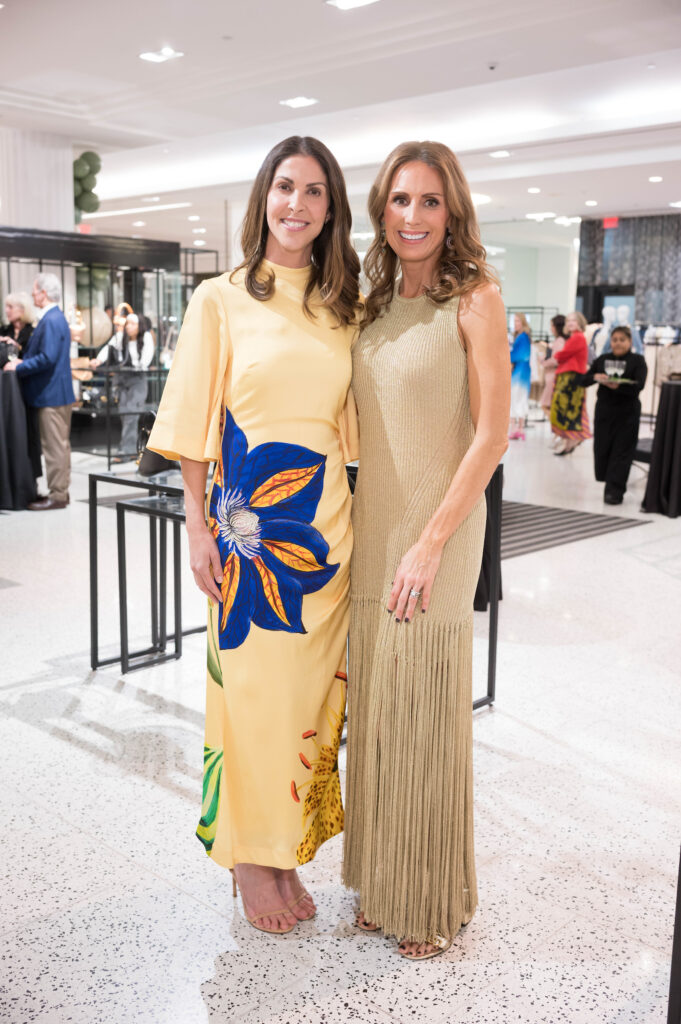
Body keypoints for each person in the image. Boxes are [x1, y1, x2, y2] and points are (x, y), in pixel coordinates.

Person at [147, 136, 361, 935]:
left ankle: (283, 849)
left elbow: (355, 429)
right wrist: (197, 525)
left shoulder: (345, 306)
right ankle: (250, 859)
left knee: (306, 705)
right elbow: (192, 422)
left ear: (331, 207)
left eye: (312, 191)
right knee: (253, 704)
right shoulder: (221, 298)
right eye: (283, 188)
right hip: (246, 540)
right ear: (262, 199)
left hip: (325, 540)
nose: (296, 205)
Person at [343, 141, 510, 960]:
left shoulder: (475, 298)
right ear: (381, 210)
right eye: (400, 200)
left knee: (421, 710)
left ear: (453, 212)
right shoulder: (372, 304)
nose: (413, 217)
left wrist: (430, 544)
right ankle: (382, 880)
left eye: (430, 202)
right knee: (377, 709)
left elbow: (490, 437)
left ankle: (429, 895)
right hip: (372, 529)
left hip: (437, 533)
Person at [3, 273, 74, 509]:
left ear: (44, 293)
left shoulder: (52, 319)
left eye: (35, 291)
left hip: (51, 395)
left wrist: (20, 365)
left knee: (55, 448)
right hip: (55, 393)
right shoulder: (53, 318)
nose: (33, 294)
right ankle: (59, 491)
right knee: (59, 446)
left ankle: (58, 496)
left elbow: (47, 357)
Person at [575, 325, 647, 504]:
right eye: (615, 340)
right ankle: (608, 483)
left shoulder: (638, 360)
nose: (618, 343)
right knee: (603, 448)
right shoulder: (603, 359)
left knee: (622, 451)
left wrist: (618, 387)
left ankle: (615, 491)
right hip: (605, 413)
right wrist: (596, 378)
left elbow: (639, 385)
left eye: (622, 340)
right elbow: (582, 380)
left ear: (630, 342)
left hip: (627, 413)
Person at [91, 312, 154, 461]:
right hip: (122, 379)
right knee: (125, 414)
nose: (129, 327)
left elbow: (146, 357)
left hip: (137, 379)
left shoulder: (145, 337)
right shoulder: (120, 337)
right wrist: (98, 361)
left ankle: (126, 450)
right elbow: (108, 349)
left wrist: (142, 365)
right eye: (128, 324)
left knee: (131, 413)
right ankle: (129, 448)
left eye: (133, 324)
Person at [545, 311, 592, 455]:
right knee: (566, 410)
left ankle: (571, 441)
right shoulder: (575, 337)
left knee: (568, 410)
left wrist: (555, 356)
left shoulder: (577, 337)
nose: (571, 323)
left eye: (574, 321)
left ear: (580, 323)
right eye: (569, 321)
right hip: (567, 376)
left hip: (571, 378)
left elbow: (563, 354)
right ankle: (569, 442)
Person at [539, 314, 567, 438]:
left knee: (546, 405)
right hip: (553, 377)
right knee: (551, 406)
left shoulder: (559, 341)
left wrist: (543, 362)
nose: (551, 328)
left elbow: (556, 359)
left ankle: (560, 432)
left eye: (552, 325)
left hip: (553, 377)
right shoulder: (560, 341)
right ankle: (558, 432)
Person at [509, 313, 531, 439]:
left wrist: (508, 355)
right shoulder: (523, 336)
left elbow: (522, 355)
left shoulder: (522, 337)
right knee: (520, 398)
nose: (516, 323)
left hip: (519, 372)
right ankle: (519, 429)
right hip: (523, 371)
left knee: (515, 398)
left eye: (518, 321)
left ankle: (515, 428)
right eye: (514, 321)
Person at [0, 292, 35, 358]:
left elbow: (34, 356)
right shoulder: (3, 330)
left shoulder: (33, 332)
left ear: (22, 310)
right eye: (6, 307)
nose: (6, 310)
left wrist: (17, 347)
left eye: (10, 307)